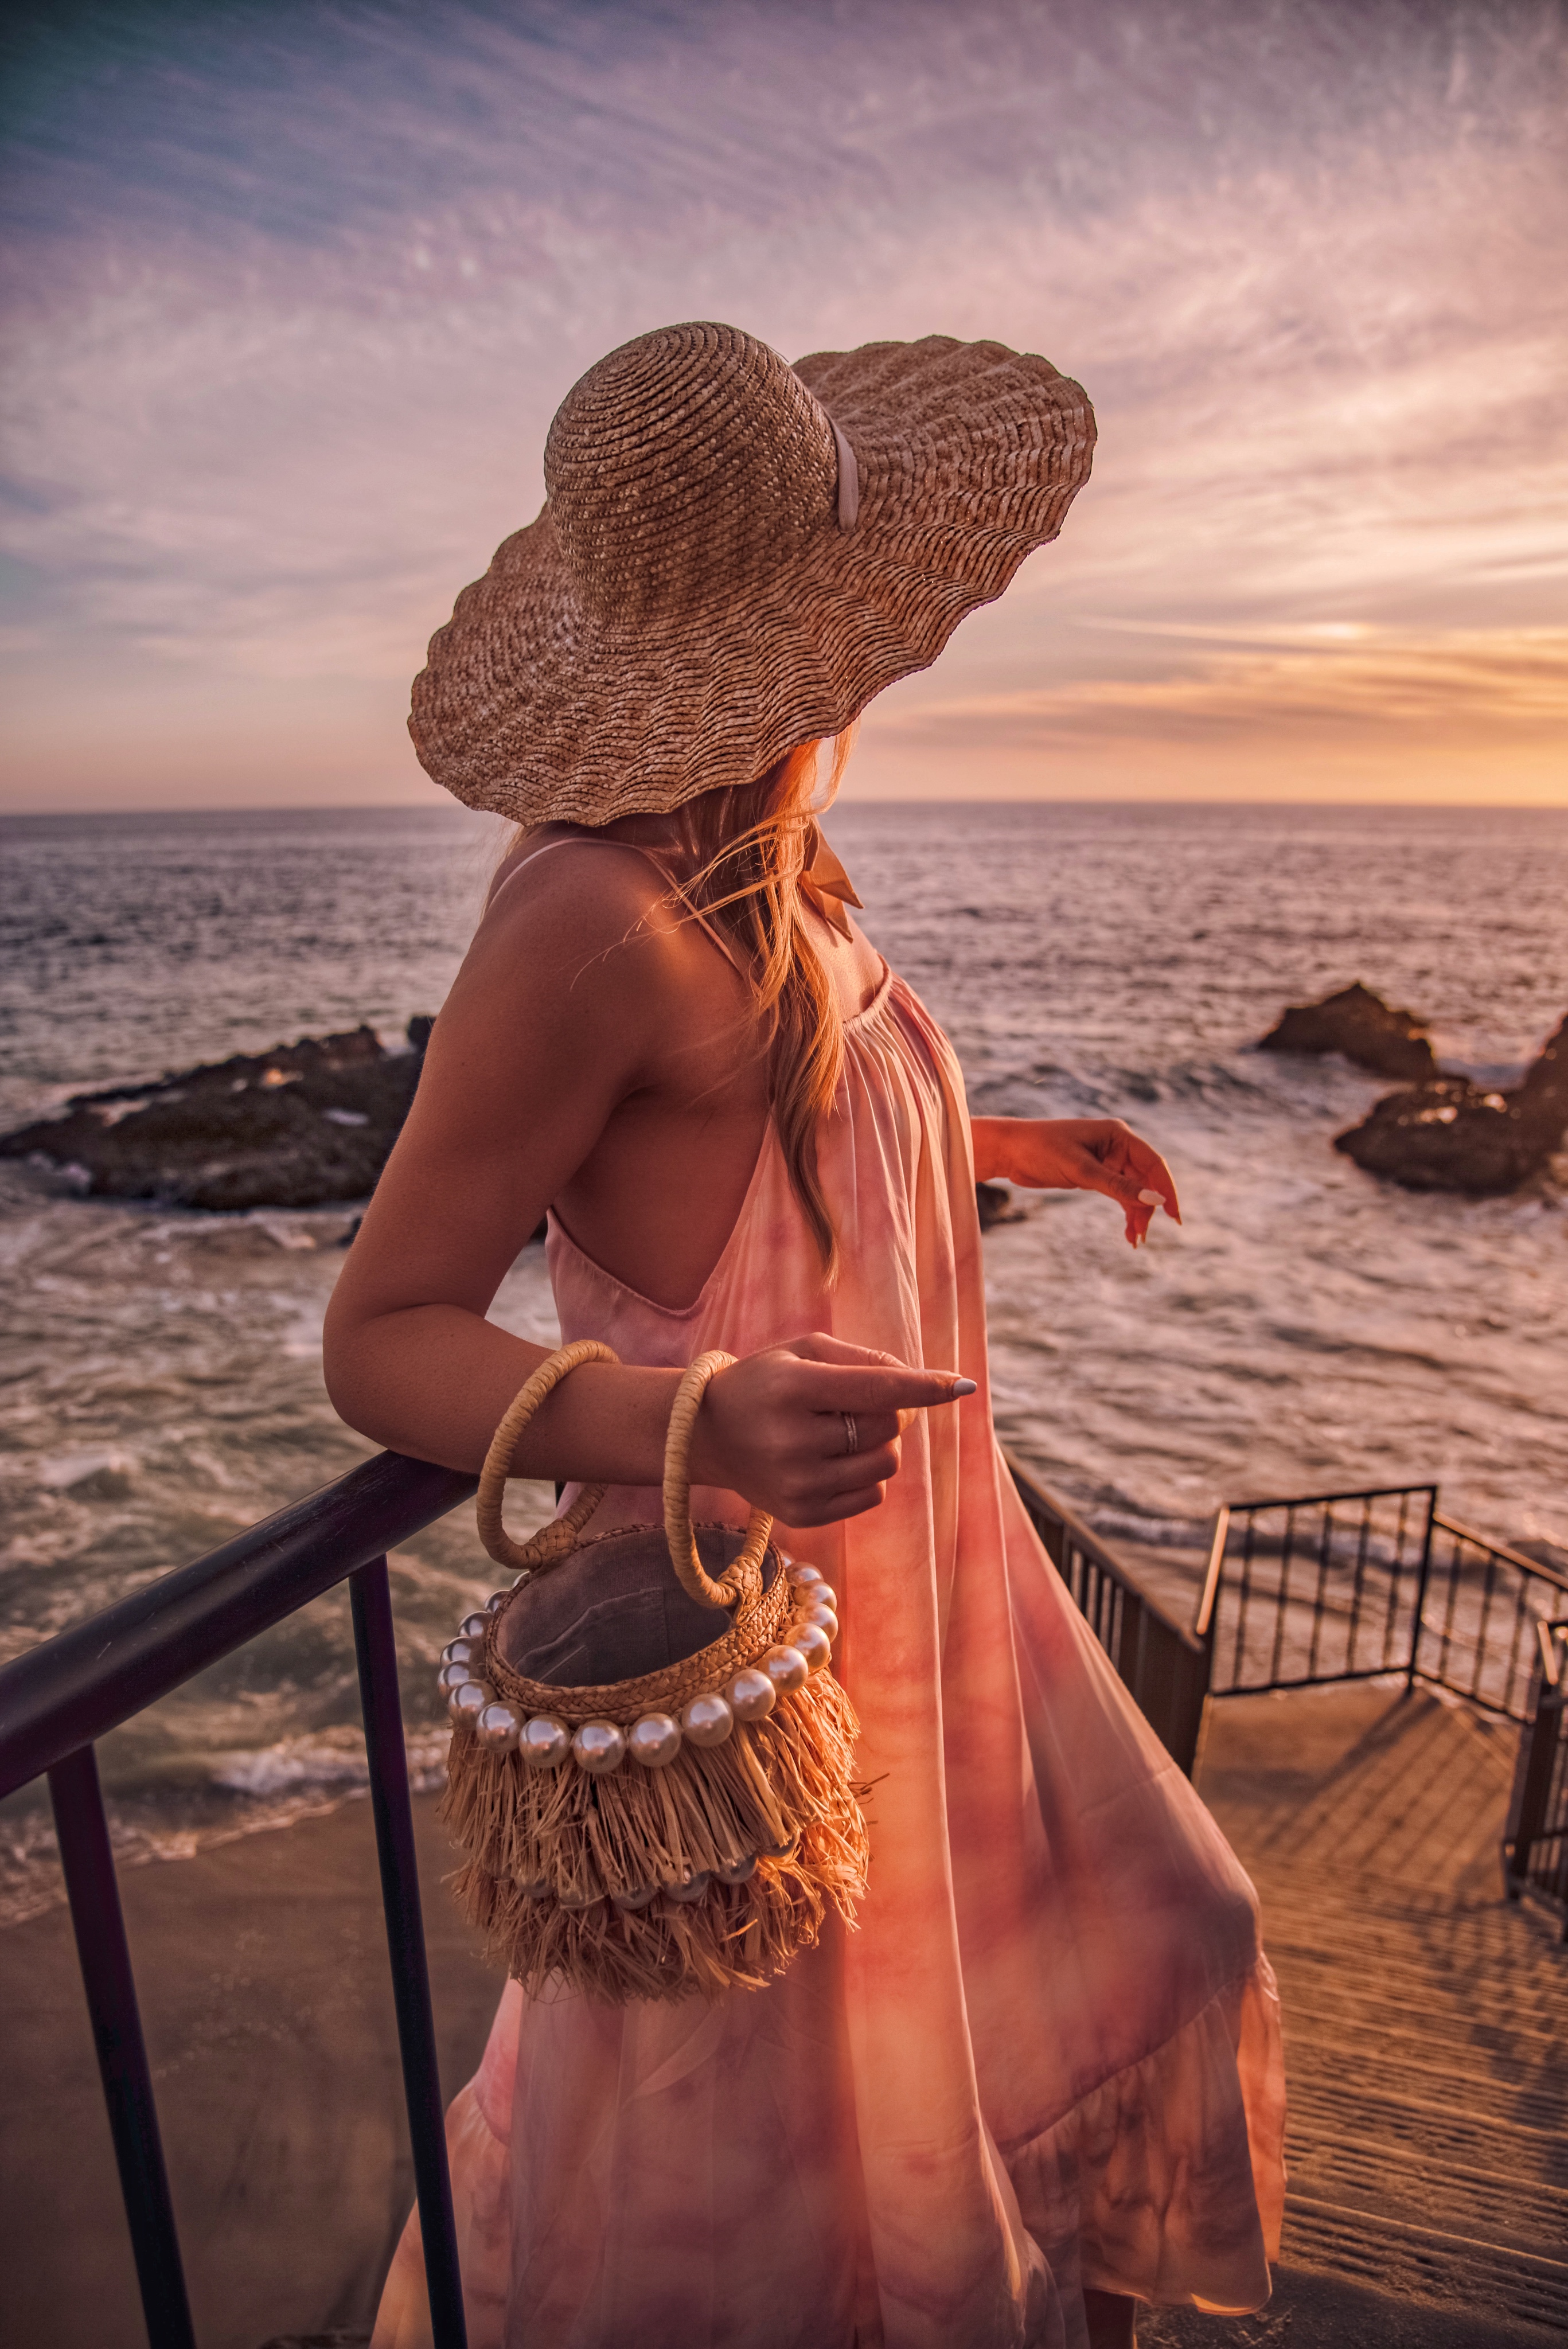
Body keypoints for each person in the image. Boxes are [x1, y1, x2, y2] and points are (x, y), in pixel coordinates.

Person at [323, 322, 1285, 2349]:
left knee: (1164, 1941)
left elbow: (774, 1136)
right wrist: (700, 1425)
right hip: (774, 1669)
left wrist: (1006, 1136)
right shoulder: (587, 924)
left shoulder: (768, 871)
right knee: (768, 2192)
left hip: (945, 1611)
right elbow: (384, 1334)